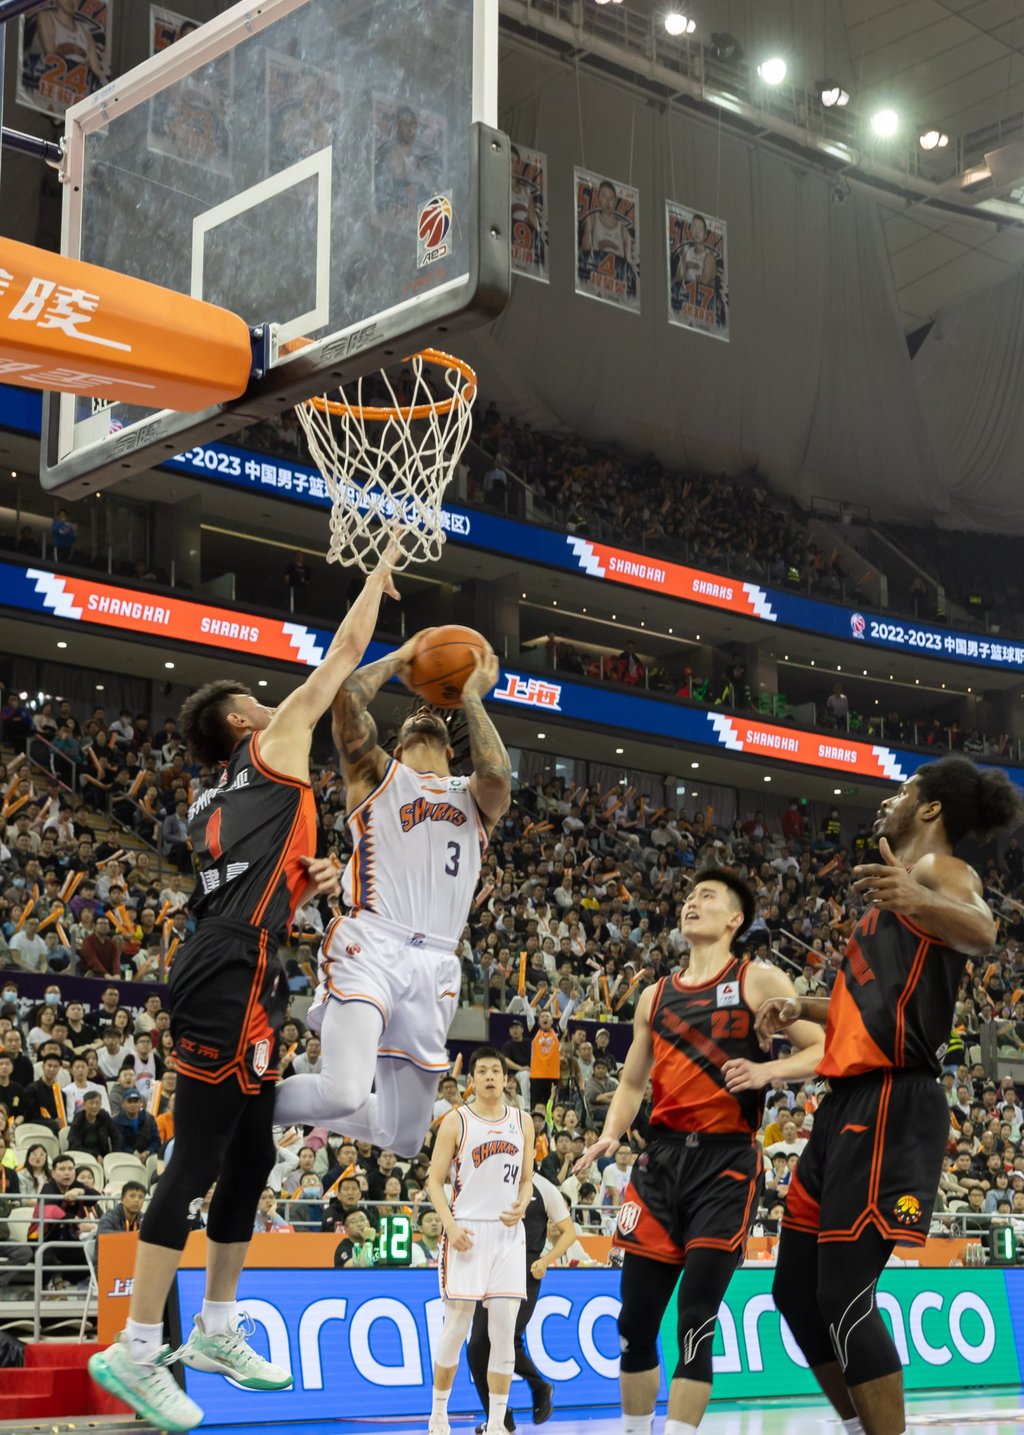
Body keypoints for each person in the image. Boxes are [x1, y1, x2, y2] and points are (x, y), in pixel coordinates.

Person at [88, 547, 402, 1430]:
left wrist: (313, 877)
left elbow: (267, 880)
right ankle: (138, 1345)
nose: (275, 699)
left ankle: (218, 1326)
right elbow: (339, 663)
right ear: (238, 720)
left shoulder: (215, 802)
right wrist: (373, 587)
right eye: (257, 700)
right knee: (196, 1155)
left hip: (240, 955)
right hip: (232, 963)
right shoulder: (268, 745)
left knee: (254, 1150)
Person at [761, 758, 1023, 1435]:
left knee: (844, 1289)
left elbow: (984, 931)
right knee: (793, 1290)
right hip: (844, 1102)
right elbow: (859, 1004)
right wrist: (802, 1004)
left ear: (932, 809)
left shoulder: (937, 871)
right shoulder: (892, 900)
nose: (891, 798)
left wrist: (916, 897)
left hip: (892, 1100)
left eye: (906, 789)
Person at [575, 868, 824, 1435]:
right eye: (687, 896)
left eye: (706, 897)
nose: (691, 903)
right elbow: (634, 1083)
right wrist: (612, 1132)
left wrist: (768, 1069)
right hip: (659, 1165)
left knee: (695, 1320)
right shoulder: (653, 995)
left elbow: (825, 1048)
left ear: (735, 920)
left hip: (727, 1165)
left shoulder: (759, 979)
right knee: (634, 1323)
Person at [275, 636, 511, 1158]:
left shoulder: (473, 797)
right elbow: (348, 703)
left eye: (433, 713)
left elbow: (496, 773)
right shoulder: (378, 774)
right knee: (344, 1090)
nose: (423, 713)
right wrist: (403, 658)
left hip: (436, 964)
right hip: (372, 944)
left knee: (404, 1138)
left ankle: (275, 1111)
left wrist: (471, 696)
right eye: (412, 716)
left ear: (452, 748)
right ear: (396, 744)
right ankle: (238, 1109)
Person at [426, 1047, 533, 1435]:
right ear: (473, 1080)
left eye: (496, 1071)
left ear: (507, 1079)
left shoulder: (523, 1122)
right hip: (467, 1230)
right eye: (482, 1071)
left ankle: (498, 1421)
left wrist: (522, 1203)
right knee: (457, 1325)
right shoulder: (456, 1121)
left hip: (507, 1234)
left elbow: (526, 1177)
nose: (490, 1076)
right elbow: (433, 1181)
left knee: (504, 1330)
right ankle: (439, 1412)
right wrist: (450, 1226)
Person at [466, 1170, 571, 1432]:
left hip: (525, 1269)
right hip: (493, 1268)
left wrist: (546, 1261)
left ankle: (537, 1388)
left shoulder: (545, 1188)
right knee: (477, 1346)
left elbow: (569, 1232)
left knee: (507, 1339)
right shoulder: (493, 1179)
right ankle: (499, 1419)